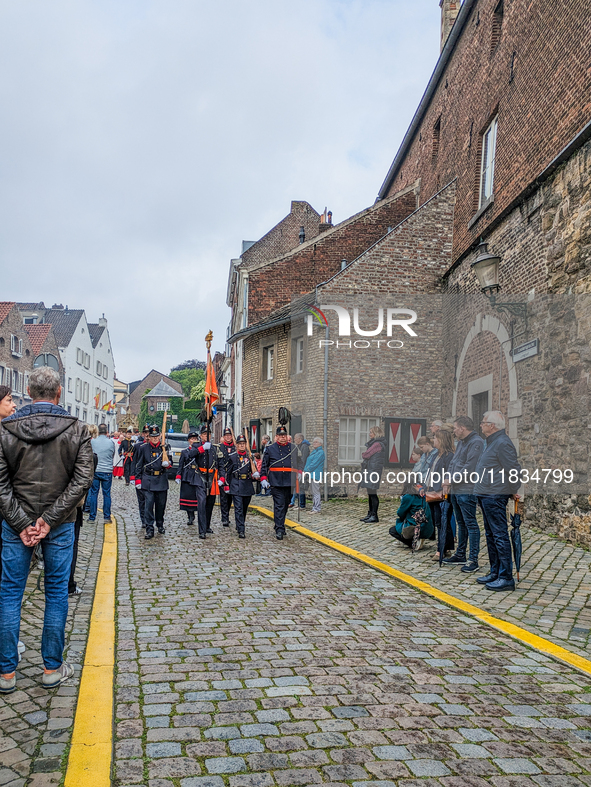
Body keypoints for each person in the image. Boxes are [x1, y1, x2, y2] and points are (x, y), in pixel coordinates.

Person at [0, 366, 94, 693]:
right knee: (56, 592)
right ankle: (52, 668)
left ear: (29, 391)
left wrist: (23, 522)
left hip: (17, 524)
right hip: (60, 524)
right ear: (59, 393)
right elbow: (82, 481)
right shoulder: (78, 429)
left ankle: (6, 673)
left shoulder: (6, 429)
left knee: (10, 592)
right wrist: (48, 520)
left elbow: (1, 485)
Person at [473, 410, 521, 592]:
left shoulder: (502, 443)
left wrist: (512, 490)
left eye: (484, 422)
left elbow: (513, 469)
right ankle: (495, 572)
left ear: (492, 426)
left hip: (494, 495)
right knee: (491, 535)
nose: (481, 424)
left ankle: (506, 577)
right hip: (486, 494)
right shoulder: (491, 442)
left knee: (500, 535)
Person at [442, 416, 484, 573]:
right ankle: (461, 554)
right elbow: (454, 463)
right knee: (461, 523)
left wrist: (451, 480)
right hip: (455, 489)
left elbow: (469, 468)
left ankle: (473, 559)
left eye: (455, 428)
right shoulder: (461, 442)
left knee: (471, 524)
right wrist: (447, 479)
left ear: (462, 428)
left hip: (467, 489)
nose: (453, 431)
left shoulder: (477, 442)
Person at [134, 425, 171, 540]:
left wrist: (167, 464)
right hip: (148, 480)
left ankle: (159, 524)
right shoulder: (143, 448)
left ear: (160, 436)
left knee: (160, 505)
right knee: (148, 506)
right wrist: (138, 479)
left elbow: (170, 464)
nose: (155, 438)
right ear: (148, 437)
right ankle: (149, 529)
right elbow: (139, 464)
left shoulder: (164, 447)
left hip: (161, 479)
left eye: (157, 436)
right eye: (152, 436)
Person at [424, 429, 455, 560]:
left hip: (441, 492)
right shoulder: (436, 454)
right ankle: (444, 548)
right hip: (432, 490)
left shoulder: (449, 456)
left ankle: (441, 550)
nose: (433, 440)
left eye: (436, 438)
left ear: (442, 440)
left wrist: (445, 488)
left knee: (443, 521)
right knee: (438, 521)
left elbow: (449, 473)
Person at [261, 425, 294, 540]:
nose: (282, 437)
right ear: (276, 437)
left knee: (285, 504)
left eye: (284, 435)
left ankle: (279, 524)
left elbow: (299, 462)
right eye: (280, 436)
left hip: (290, 481)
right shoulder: (270, 449)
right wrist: (263, 478)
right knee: (279, 505)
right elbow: (264, 465)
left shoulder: (293, 448)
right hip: (276, 481)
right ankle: (280, 529)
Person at [222, 434, 259, 538]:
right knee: (238, 508)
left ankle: (240, 524)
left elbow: (254, 471)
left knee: (244, 508)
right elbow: (228, 473)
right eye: (240, 444)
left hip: (247, 484)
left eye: (244, 444)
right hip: (236, 484)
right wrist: (227, 485)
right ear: (237, 445)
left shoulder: (250, 457)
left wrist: (255, 473)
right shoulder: (232, 457)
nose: (242, 446)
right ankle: (241, 529)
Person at [176, 431, 210, 537]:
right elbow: (181, 464)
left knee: (197, 499)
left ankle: (196, 516)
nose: (193, 440)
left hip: (197, 475)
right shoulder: (185, 451)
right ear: (188, 440)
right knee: (188, 496)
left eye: (195, 439)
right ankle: (190, 515)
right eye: (191, 439)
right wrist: (178, 475)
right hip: (187, 475)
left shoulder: (200, 449)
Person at [389, 481, 434, 549]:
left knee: (393, 530)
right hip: (428, 528)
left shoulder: (408, 496)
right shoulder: (424, 495)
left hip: (416, 527)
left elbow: (400, 513)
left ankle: (413, 542)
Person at [88, 424, 115, 523]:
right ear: (107, 432)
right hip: (107, 470)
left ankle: (92, 517)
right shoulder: (111, 443)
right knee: (106, 494)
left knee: (94, 494)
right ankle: (107, 517)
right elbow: (112, 454)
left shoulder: (93, 442)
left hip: (96, 470)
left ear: (98, 432)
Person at [360, 426, 387, 523]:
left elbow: (366, 454)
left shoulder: (377, 444)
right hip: (371, 470)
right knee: (370, 493)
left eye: (371, 432)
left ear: (376, 434)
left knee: (373, 493)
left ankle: (374, 515)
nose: (369, 434)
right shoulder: (375, 443)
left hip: (373, 471)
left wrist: (364, 453)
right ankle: (370, 513)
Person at [130, 424, 149, 527]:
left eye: (148, 433)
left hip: (150, 477)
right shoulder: (138, 446)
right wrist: (132, 476)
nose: (147, 435)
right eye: (145, 433)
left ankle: (149, 518)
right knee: (141, 500)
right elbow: (134, 461)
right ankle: (143, 520)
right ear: (142, 434)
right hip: (140, 475)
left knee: (150, 500)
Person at [218, 427, 236, 527]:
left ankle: (227, 513)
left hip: (233, 475)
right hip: (223, 475)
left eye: (229, 436)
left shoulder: (235, 447)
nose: (228, 437)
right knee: (224, 497)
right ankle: (225, 517)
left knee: (231, 498)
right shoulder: (220, 447)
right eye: (226, 436)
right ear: (223, 437)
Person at [303, 437, 325, 513]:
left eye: (316, 442)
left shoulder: (320, 452)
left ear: (320, 444)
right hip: (311, 474)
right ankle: (314, 507)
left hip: (315, 474)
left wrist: (306, 471)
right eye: (314, 442)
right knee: (313, 491)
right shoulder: (315, 451)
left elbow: (314, 464)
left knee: (316, 491)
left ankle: (317, 508)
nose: (314, 443)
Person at [289, 433, 310, 509]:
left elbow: (303, 459)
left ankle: (302, 504)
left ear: (299, 439)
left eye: (295, 438)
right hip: (298, 470)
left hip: (302, 470)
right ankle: (299, 503)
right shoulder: (298, 446)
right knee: (298, 487)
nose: (294, 440)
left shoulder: (304, 447)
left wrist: (300, 470)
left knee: (301, 487)